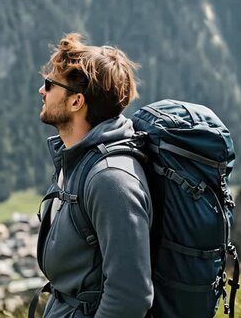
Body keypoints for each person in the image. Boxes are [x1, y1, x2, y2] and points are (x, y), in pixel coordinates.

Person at [35, 33, 153, 317]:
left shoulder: (110, 180)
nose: (41, 90)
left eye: (50, 84)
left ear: (76, 102)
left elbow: (130, 297)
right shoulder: (79, 159)